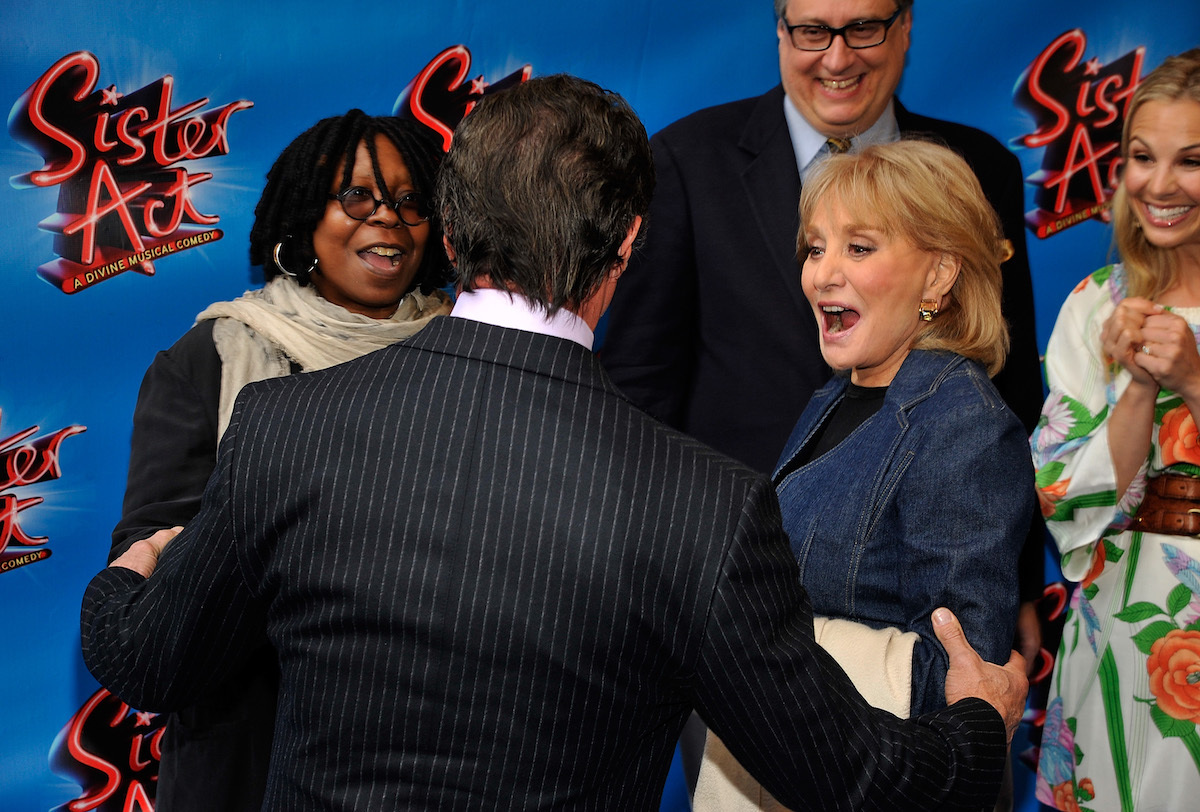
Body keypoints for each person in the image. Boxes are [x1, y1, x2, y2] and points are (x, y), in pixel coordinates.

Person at [82, 74, 1028, 811]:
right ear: (626, 247)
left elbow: (148, 661)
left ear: (449, 231)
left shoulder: (288, 428)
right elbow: (859, 780)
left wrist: (127, 575)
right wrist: (981, 721)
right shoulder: (699, 506)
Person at [600, 0, 1046, 672]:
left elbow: (1010, 382)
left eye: (863, 26)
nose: (837, 58)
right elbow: (639, 389)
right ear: (779, 33)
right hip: (718, 598)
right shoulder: (687, 160)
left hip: (912, 614)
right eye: (812, 30)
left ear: (905, 28)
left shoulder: (979, 165)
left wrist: (1016, 579)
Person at [110, 110, 453, 812]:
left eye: (411, 199)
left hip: (431, 745)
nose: (388, 218)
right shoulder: (208, 361)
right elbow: (152, 571)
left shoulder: (470, 355)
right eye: (357, 196)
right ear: (302, 219)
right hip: (256, 751)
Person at [696, 140, 1034, 809]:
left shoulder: (961, 421)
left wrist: (755, 649)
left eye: (859, 247)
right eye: (815, 248)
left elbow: (962, 679)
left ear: (939, 274)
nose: (822, 274)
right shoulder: (835, 398)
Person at [1032, 49, 1200, 812]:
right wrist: (1138, 383)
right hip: (1119, 635)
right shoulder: (1092, 305)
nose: (1159, 185)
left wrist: (1194, 378)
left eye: (1191, 161)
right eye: (1141, 157)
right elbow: (1064, 501)